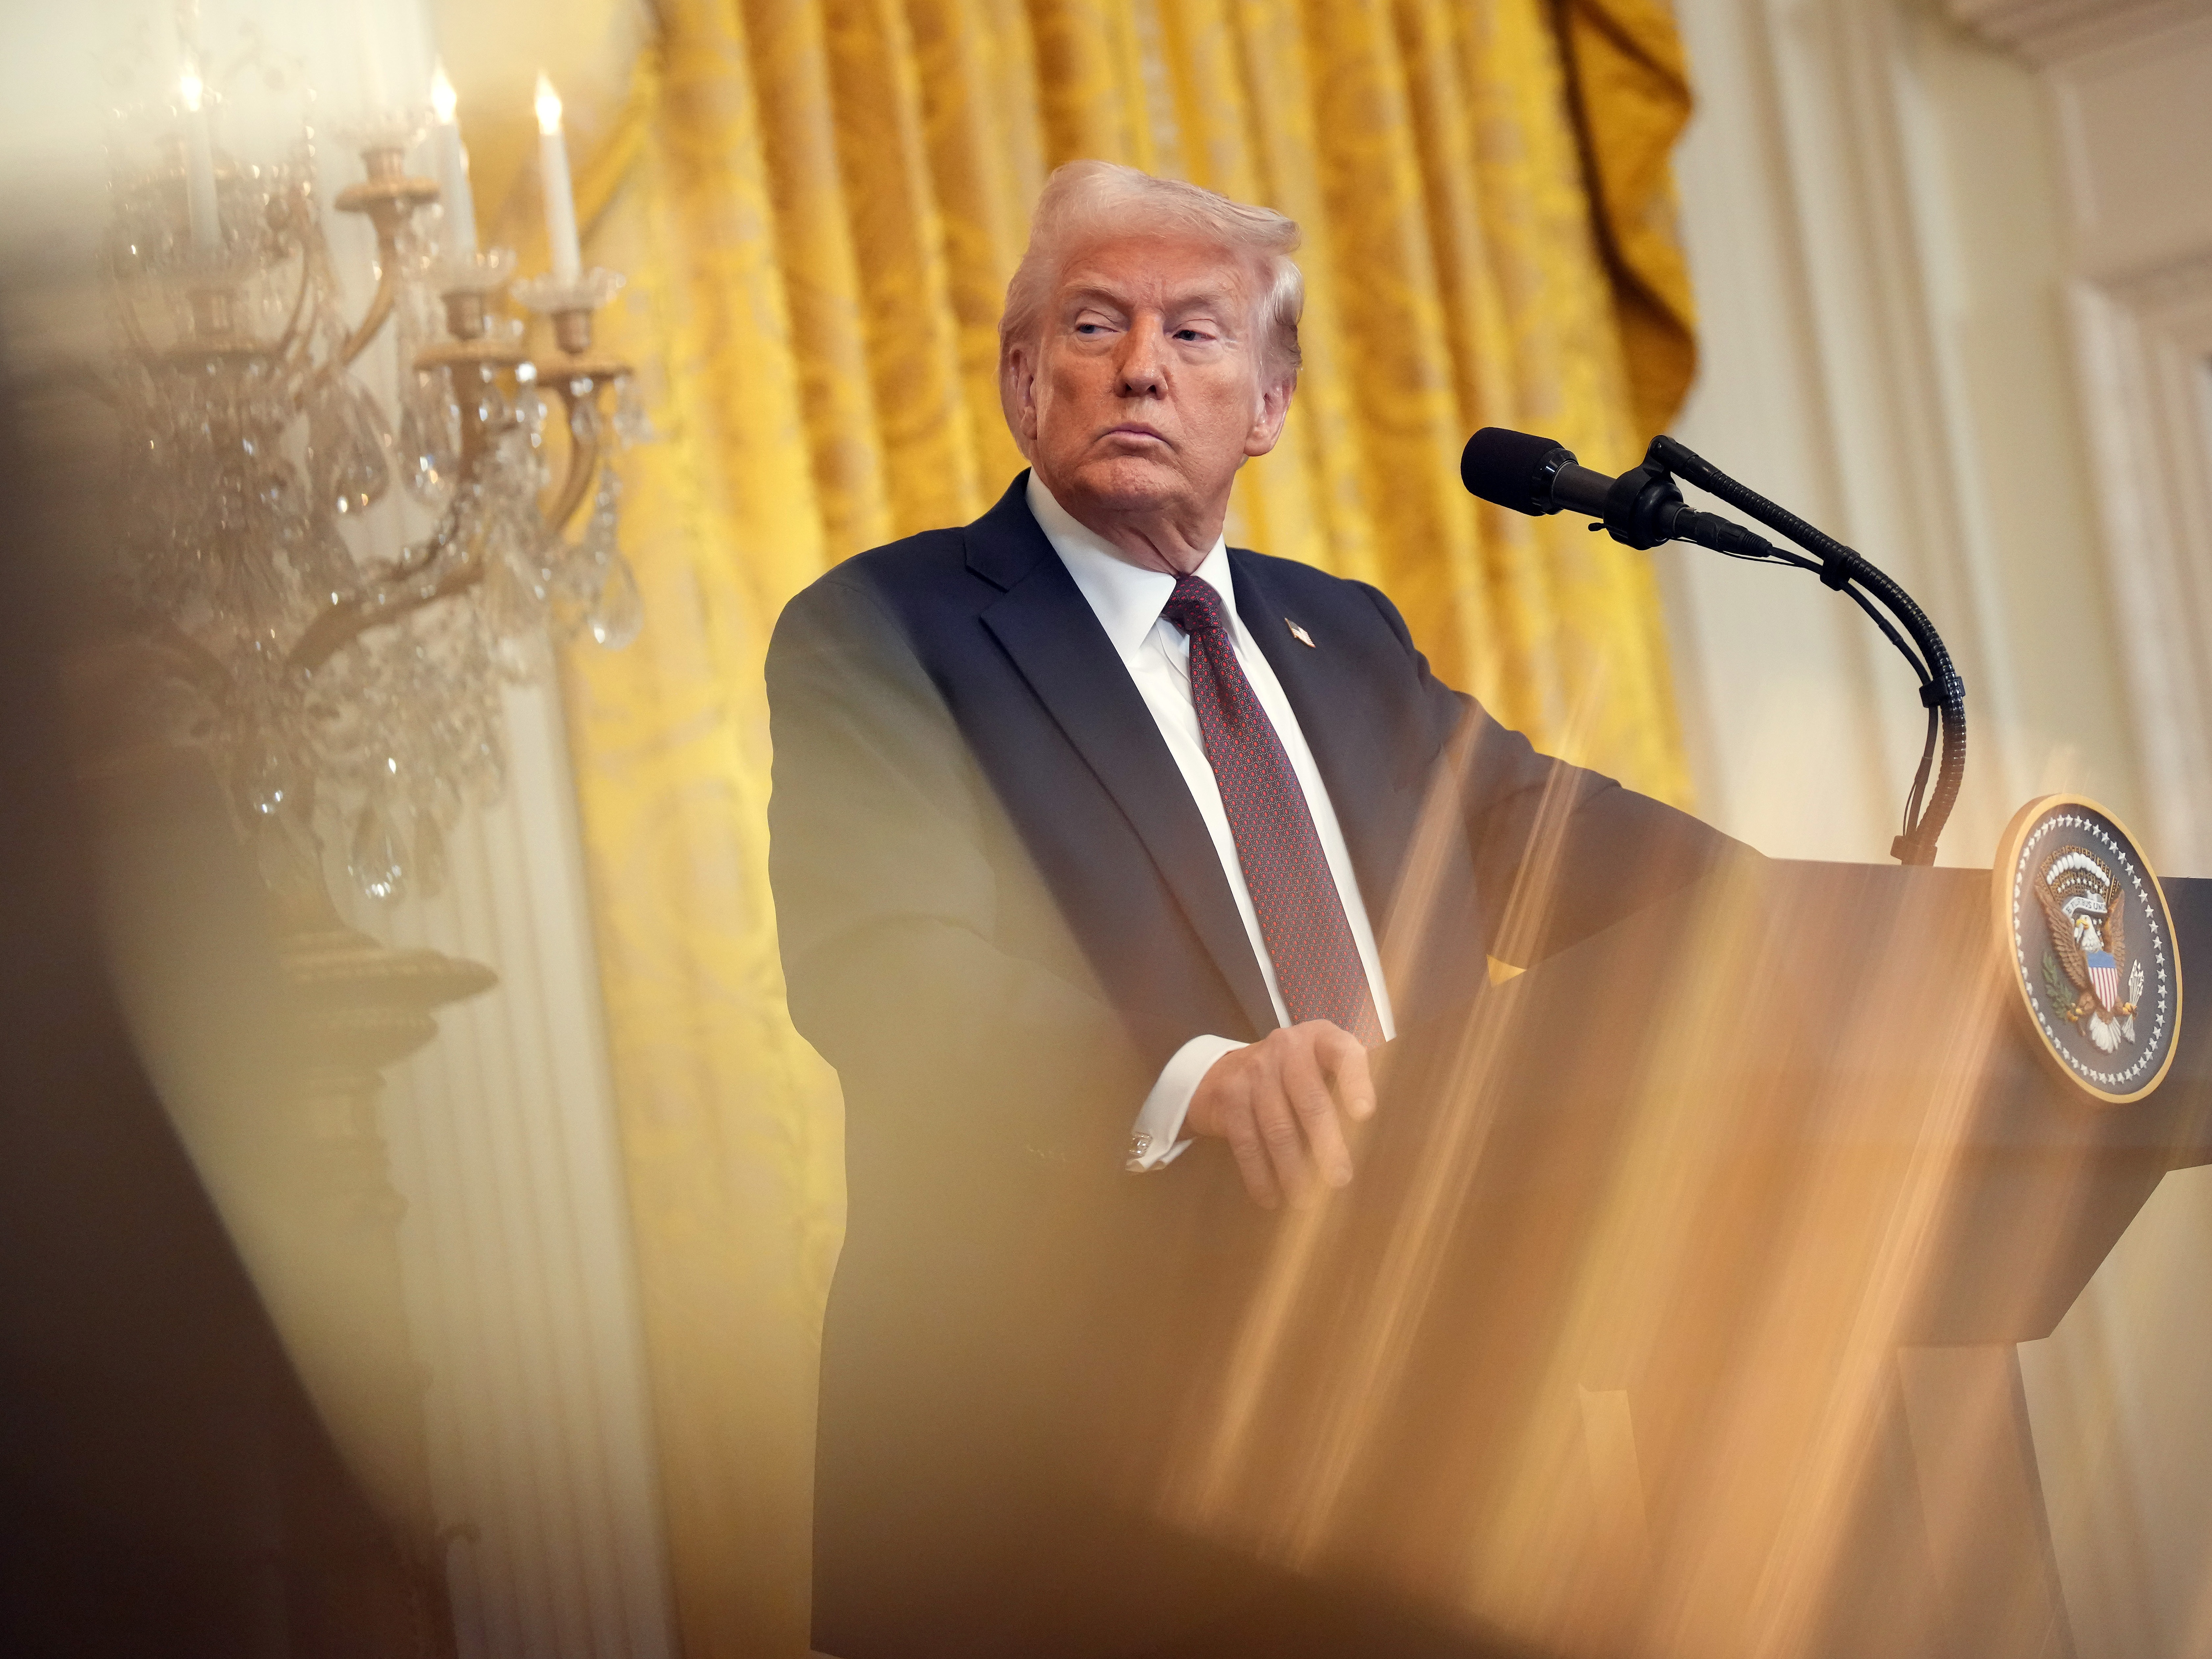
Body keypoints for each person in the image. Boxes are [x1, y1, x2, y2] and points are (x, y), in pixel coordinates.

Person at [767, 161, 1732, 1659]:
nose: (1141, 362)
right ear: (1023, 382)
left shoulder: (1339, 635)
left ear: (1268, 404)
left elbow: (1553, 837)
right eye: (1093, 324)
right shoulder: (885, 631)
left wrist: (1838, 923)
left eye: (1197, 332)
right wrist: (1201, 1079)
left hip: (1423, 1446)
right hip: (1063, 1488)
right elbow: (884, 971)